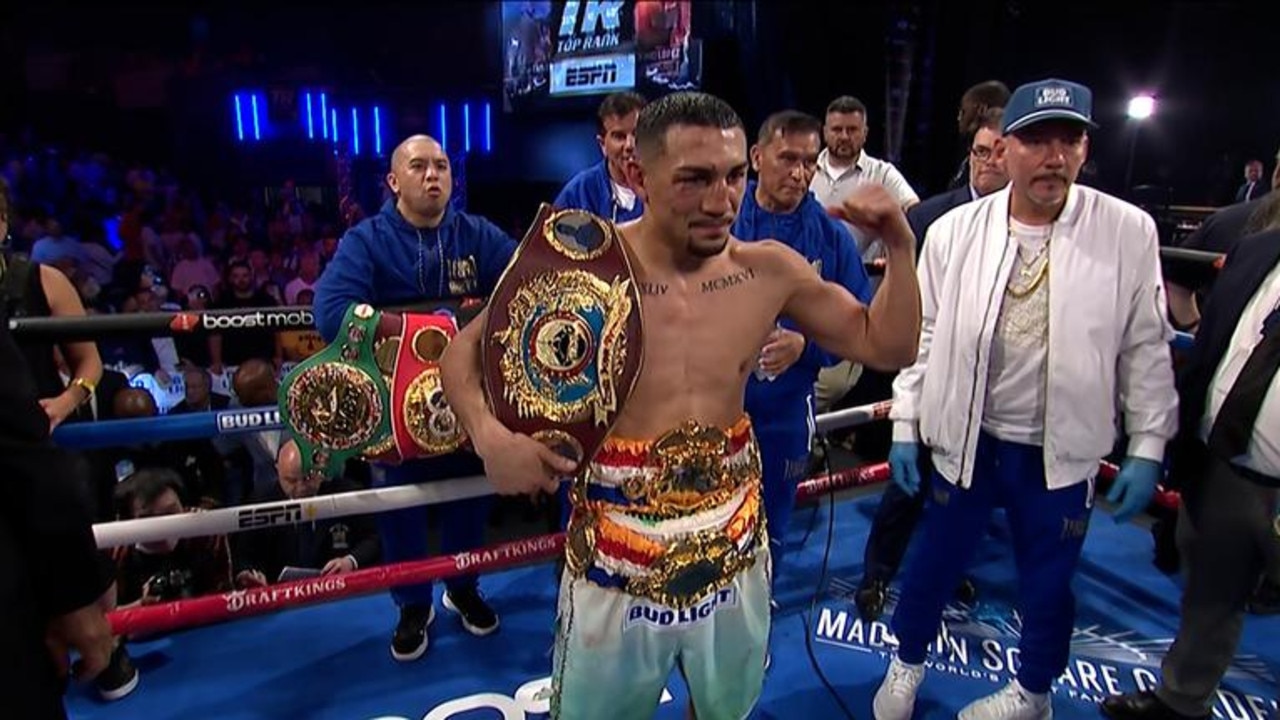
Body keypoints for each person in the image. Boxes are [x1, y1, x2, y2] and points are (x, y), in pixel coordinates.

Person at [440, 91, 922, 720]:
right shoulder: (582, 266)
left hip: (734, 541)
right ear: (639, 176)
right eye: (695, 179)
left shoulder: (766, 269)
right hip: (617, 550)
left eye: (733, 177)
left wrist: (902, 247)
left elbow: (887, 343)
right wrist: (488, 437)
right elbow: (460, 356)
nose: (722, 201)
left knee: (723, 710)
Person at [873, 78, 1178, 720]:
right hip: (967, 438)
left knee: (1048, 583)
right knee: (934, 561)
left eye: (1068, 140)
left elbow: (1147, 345)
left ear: (1086, 149)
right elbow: (921, 333)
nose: (1053, 156)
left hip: (1060, 451)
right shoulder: (955, 230)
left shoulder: (1127, 231)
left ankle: (1034, 693)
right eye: (1037, 140)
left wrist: (1149, 445)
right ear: (1004, 149)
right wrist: (906, 422)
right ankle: (906, 663)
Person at [313, 133, 516, 661]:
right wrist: (416, 327)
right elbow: (329, 310)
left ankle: (464, 587)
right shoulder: (368, 240)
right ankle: (410, 605)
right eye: (420, 166)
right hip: (394, 408)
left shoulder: (476, 233)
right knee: (398, 506)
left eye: (443, 166)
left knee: (470, 497)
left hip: (466, 399)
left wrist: (470, 326)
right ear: (393, 180)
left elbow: (525, 286)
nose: (433, 176)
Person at [1100, 213, 1280, 719]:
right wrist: (1169, 444)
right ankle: (1181, 700)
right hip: (1228, 463)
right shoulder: (1258, 251)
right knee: (1212, 592)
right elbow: (1209, 346)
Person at [855, 106, 1011, 621]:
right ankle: (876, 575)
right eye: (980, 152)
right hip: (931, 376)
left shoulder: (1039, 231)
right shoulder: (930, 218)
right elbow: (909, 318)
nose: (988, 162)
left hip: (993, 395)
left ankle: (948, 572)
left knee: (963, 501)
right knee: (904, 490)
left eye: (999, 152)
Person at [732, 109, 872, 586]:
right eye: (788, 158)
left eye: (810, 162)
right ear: (756, 157)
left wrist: (807, 344)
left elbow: (860, 326)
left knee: (772, 521)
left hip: (784, 409)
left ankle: (758, 615)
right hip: (710, 406)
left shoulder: (830, 237)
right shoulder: (721, 220)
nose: (800, 173)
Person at [0, 301, 114, 719]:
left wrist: (69, 399)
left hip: (43, 449)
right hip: (27, 479)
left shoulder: (41, 278)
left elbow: (88, 359)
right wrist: (77, 589)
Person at [555, 91, 648, 222]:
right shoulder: (579, 192)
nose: (629, 145)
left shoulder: (664, 186)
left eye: (637, 133)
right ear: (602, 144)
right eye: (619, 136)